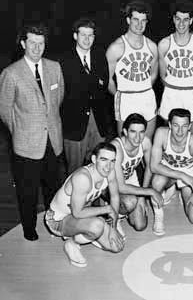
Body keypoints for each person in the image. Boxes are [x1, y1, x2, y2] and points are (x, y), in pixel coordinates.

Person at [0, 23, 64, 241]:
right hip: (26, 143)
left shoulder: (55, 68)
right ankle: (29, 229)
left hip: (53, 140)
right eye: (32, 43)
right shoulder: (10, 73)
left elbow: (58, 100)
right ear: (23, 43)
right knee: (27, 192)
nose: (37, 48)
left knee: (53, 188)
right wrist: (21, 130)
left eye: (41, 43)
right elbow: (5, 110)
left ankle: (54, 224)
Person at [45, 142, 124, 268]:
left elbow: (115, 196)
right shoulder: (83, 178)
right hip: (58, 220)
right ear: (94, 159)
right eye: (103, 159)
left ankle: (90, 234)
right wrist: (106, 209)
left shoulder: (110, 172)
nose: (108, 166)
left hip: (82, 215)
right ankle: (72, 243)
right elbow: (77, 213)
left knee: (117, 247)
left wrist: (113, 228)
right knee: (97, 226)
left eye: (112, 161)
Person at [60, 17, 114, 174]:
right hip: (74, 125)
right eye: (83, 35)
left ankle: (95, 198)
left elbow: (103, 86)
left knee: (99, 168)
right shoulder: (64, 61)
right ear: (75, 36)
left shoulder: (100, 56)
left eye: (90, 35)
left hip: (98, 122)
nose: (87, 39)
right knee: (75, 170)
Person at [106, 0, 158, 138]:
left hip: (146, 96)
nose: (139, 24)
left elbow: (153, 75)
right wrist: (119, 94)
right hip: (125, 98)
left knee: (147, 143)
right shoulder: (116, 47)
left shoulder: (152, 46)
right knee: (125, 145)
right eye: (136, 19)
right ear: (128, 20)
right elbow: (107, 79)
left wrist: (141, 88)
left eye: (143, 20)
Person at [150, 108, 193, 236]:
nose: (180, 131)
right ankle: (159, 215)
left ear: (190, 126)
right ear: (169, 124)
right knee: (157, 182)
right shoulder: (161, 134)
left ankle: (182, 193)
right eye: (176, 125)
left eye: (184, 126)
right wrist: (181, 175)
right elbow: (154, 166)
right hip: (169, 173)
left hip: (190, 177)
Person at [158, 0, 193, 136]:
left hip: (191, 94)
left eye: (185, 20)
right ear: (173, 19)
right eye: (178, 19)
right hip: (171, 93)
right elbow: (162, 75)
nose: (181, 23)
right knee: (168, 135)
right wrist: (173, 87)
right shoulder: (164, 44)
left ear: (191, 21)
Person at [110, 113, 163, 233]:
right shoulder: (116, 147)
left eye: (141, 132)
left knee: (140, 225)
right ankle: (114, 215)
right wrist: (149, 191)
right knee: (130, 202)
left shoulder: (145, 143)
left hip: (129, 180)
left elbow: (149, 168)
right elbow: (121, 187)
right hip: (109, 185)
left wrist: (142, 197)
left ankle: (124, 209)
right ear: (125, 131)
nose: (137, 137)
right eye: (133, 132)